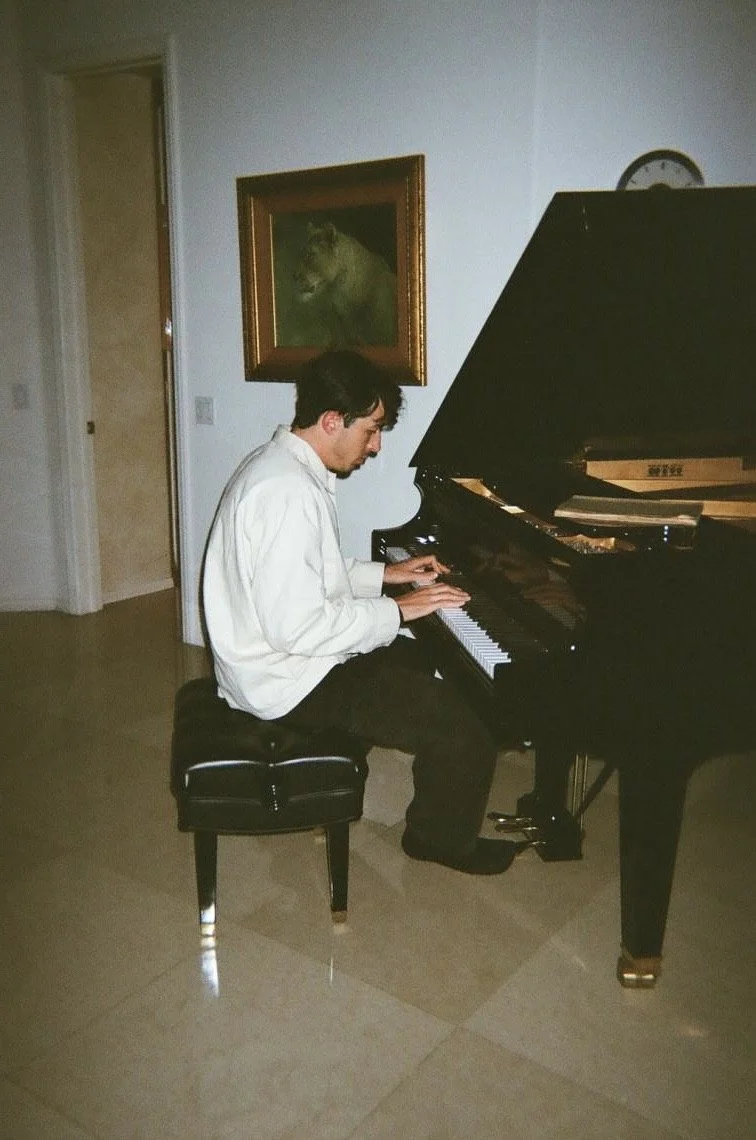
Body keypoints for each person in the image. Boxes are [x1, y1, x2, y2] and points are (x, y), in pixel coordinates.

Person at [202, 349, 519, 874]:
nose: (376, 446)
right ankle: (436, 839)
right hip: (286, 682)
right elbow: (298, 627)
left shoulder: (283, 466)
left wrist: (388, 577)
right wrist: (400, 610)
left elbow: (312, 575)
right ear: (332, 421)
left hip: (282, 661)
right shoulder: (287, 493)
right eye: (371, 431)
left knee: (428, 668)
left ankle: (391, 775)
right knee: (463, 721)